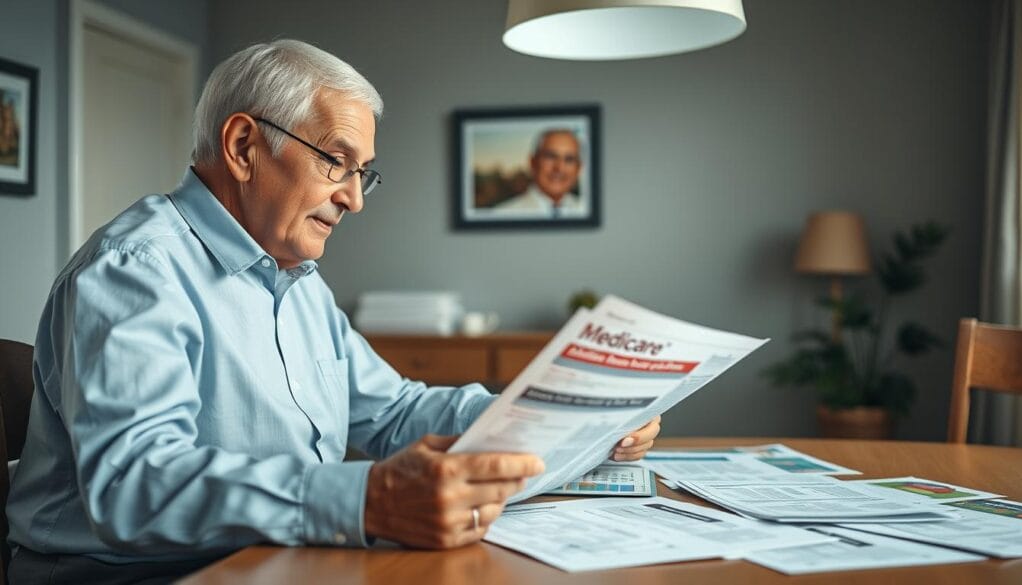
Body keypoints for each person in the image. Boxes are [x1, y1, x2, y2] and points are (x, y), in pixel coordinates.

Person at [5, 40, 660, 584]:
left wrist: (553, 414)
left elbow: (394, 411)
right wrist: (367, 497)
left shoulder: (298, 280)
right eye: (336, 162)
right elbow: (135, 483)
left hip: (267, 560)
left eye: (363, 172)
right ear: (242, 146)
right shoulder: (136, 271)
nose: (354, 198)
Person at [494, 129, 587, 217]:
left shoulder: (585, 210)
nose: (559, 168)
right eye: (550, 157)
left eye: (569, 159)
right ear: (533, 162)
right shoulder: (502, 214)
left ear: (579, 168)